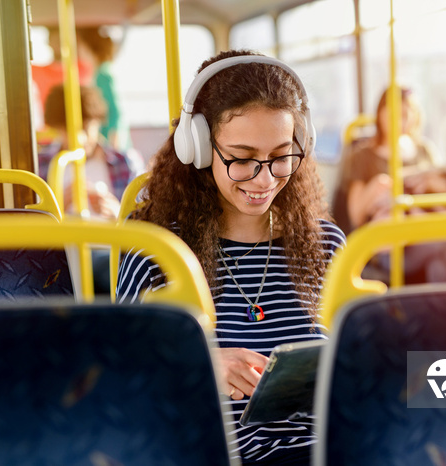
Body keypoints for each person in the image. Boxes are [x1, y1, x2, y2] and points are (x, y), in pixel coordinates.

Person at [116, 50, 346, 465]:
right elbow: (120, 375)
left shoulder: (326, 244)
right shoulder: (157, 250)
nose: (265, 179)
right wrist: (200, 363)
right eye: (241, 159)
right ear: (199, 148)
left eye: (281, 156)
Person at [334, 87, 446, 283]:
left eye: (405, 114)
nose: (399, 120)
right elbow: (356, 216)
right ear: (380, 114)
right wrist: (378, 187)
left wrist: (436, 182)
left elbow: (444, 201)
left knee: (439, 270)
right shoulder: (362, 156)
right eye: (392, 113)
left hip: (425, 225)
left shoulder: (424, 150)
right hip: (389, 240)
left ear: (415, 117)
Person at [38, 84, 137, 293]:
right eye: (67, 130)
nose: (78, 138)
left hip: (109, 247)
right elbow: (31, 225)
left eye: (84, 128)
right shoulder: (45, 164)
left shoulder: (122, 162)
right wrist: (58, 206)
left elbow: (145, 221)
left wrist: (117, 213)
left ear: (97, 122)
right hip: (62, 250)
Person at [77, 27, 123, 151]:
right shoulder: (101, 72)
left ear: (88, 47)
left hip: (110, 138)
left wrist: (113, 139)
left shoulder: (102, 75)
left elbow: (114, 111)